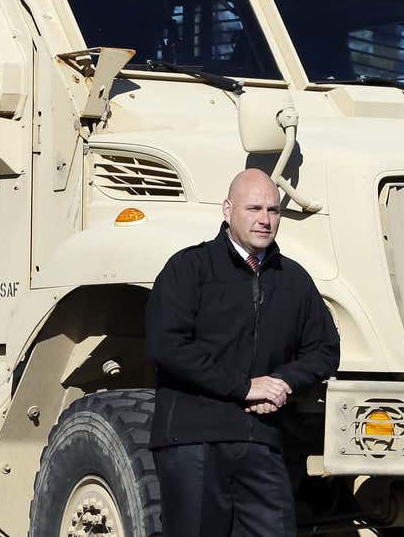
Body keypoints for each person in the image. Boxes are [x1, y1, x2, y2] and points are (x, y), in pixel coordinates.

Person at [145, 168, 340, 536]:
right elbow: (166, 345)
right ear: (227, 210)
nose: (265, 220)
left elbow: (325, 350)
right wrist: (244, 387)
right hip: (193, 441)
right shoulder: (189, 268)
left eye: (274, 211)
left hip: (261, 440)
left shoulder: (294, 279)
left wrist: (282, 382)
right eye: (254, 209)